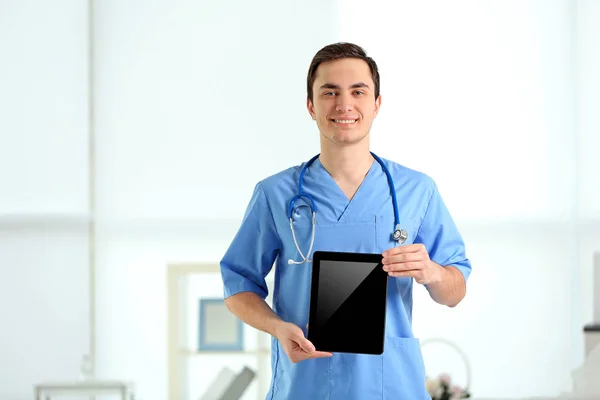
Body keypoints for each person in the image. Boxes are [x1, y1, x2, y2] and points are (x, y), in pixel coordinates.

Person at [219, 42, 471, 400]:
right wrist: (277, 328)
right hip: (305, 384)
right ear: (311, 106)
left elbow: (455, 291)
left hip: (391, 385)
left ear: (376, 104)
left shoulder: (417, 190)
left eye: (358, 91)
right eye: (329, 92)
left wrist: (431, 271)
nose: (344, 104)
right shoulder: (275, 194)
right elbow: (237, 285)